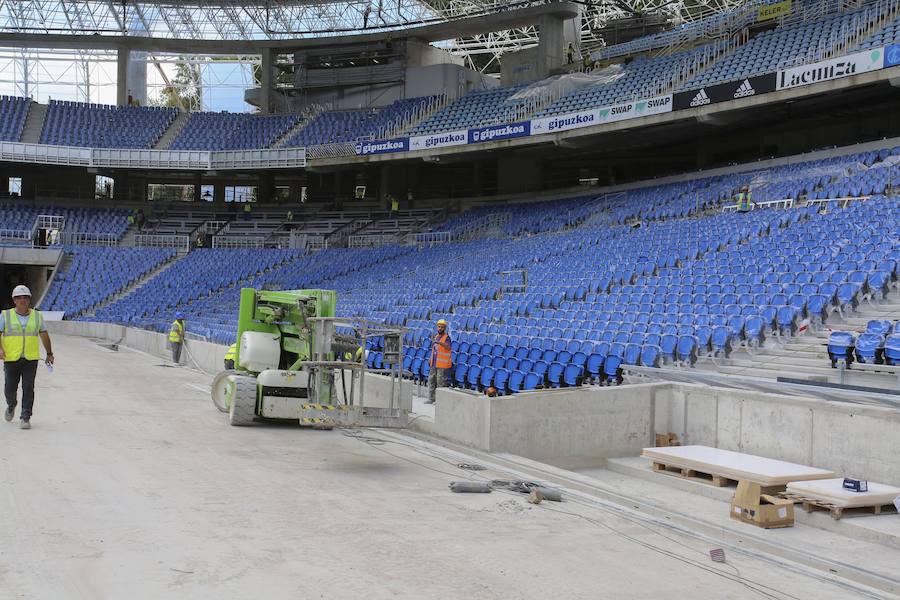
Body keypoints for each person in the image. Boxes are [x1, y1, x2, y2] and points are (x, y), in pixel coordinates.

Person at [1, 285, 54, 429]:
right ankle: (11, 405)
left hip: (30, 359)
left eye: (25, 297)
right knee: (9, 389)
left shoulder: (37, 316)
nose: (22, 300)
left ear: (29, 300)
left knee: (28, 387)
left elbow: (44, 334)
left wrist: (49, 353)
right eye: (19, 298)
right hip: (11, 358)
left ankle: (25, 417)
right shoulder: (5, 315)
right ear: (14, 300)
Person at [426, 319, 452, 404]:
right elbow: (434, 349)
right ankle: (431, 398)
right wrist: (430, 359)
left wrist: (441, 343)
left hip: (442, 364)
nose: (440, 328)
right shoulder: (436, 336)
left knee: (440, 382)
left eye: (442, 327)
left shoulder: (446, 337)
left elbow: (448, 347)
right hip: (434, 362)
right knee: (431, 380)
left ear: (444, 328)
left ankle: (439, 400)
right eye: (439, 327)